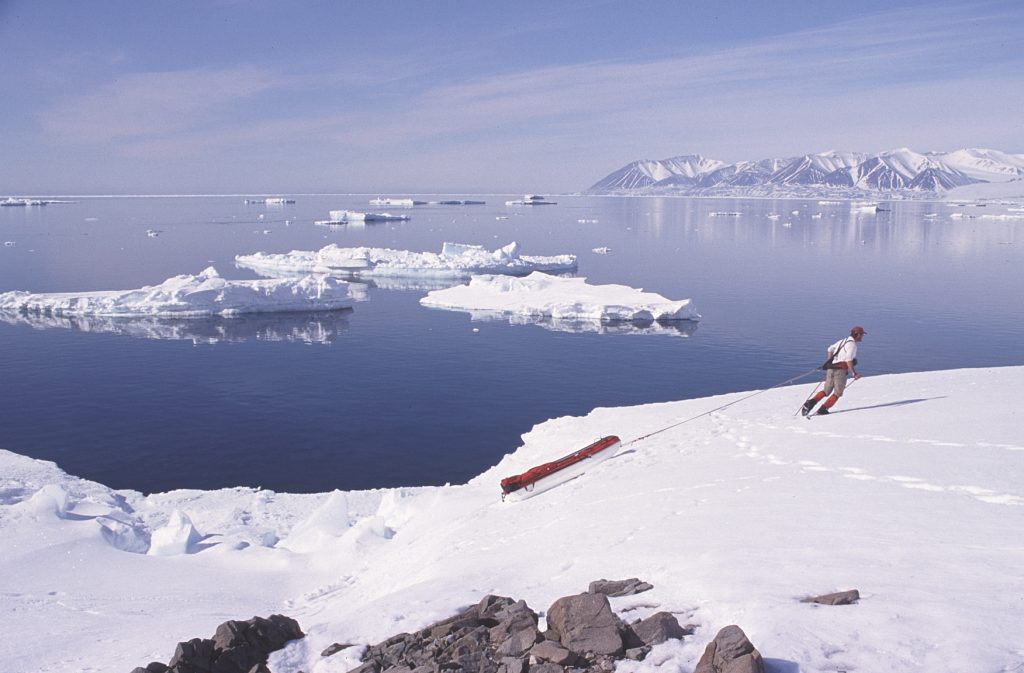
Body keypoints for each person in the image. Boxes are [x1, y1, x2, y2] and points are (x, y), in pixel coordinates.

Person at [802, 326, 866, 416]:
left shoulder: (843, 341)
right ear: (857, 334)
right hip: (840, 371)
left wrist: (830, 361)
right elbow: (848, 359)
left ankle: (809, 403)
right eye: (862, 334)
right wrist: (854, 373)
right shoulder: (852, 345)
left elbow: (830, 349)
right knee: (838, 392)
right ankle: (823, 409)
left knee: (826, 390)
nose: (862, 336)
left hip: (831, 369)